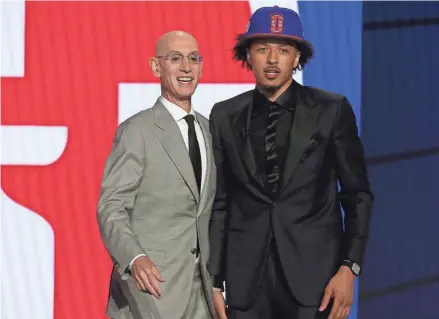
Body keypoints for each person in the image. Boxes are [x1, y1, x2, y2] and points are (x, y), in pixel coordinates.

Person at [208, 6, 374, 319]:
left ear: (297, 57)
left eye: (283, 50)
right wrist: (213, 280)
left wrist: (349, 268)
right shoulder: (223, 115)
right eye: (262, 50)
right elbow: (220, 202)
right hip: (246, 284)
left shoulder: (331, 109)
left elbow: (357, 195)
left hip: (315, 283)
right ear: (248, 56)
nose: (272, 60)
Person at [97, 30, 217, 319]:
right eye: (175, 58)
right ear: (155, 67)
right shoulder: (137, 130)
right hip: (151, 292)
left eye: (193, 59)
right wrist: (134, 258)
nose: (187, 67)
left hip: (203, 292)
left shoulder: (211, 130)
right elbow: (111, 206)